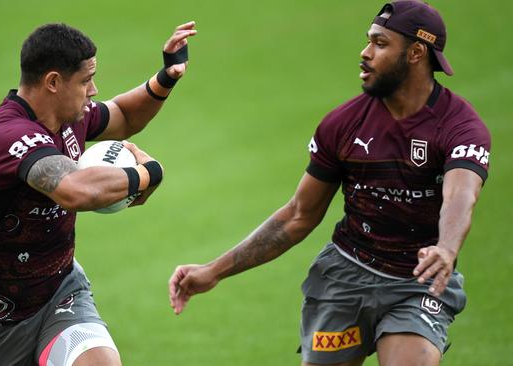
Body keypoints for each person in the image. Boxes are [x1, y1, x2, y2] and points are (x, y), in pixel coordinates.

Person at [169, 2, 490, 365]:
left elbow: (461, 194)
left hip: (416, 283)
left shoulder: (460, 128)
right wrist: (214, 270)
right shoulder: (343, 125)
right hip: (344, 278)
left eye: (380, 44)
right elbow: (298, 216)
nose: (365, 54)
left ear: (416, 53)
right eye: (368, 42)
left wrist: (446, 249)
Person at [0, 21, 196, 366]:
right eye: (85, 80)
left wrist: (166, 78)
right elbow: (75, 190)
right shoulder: (7, 135)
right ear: (53, 82)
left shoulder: (69, 116)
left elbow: (123, 114)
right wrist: (149, 173)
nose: (93, 90)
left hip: (60, 291)